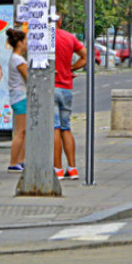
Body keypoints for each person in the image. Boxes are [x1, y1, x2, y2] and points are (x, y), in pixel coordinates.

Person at [53, 17, 87, 180]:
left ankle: (57, 169)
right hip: (66, 88)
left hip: (50, 86)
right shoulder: (69, 37)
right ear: (60, 22)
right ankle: (72, 168)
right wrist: (70, 68)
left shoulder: (43, 37)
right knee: (66, 127)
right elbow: (84, 56)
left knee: (54, 128)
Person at [6, 28, 28, 172]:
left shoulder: (15, 58)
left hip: (18, 96)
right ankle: (14, 162)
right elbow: (29, 77)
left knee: (24, 131)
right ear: (19, 43)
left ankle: (20, 160)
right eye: (25, 42)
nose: (27, 45)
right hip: (20, 97)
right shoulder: (18, 60)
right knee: (20, 131)